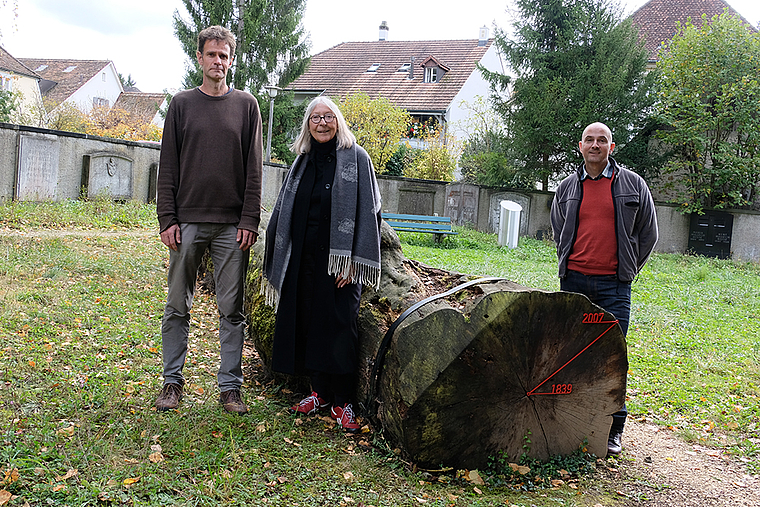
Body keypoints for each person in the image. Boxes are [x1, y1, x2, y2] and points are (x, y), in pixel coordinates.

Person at [154, 25, 263, 415]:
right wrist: (167, 217)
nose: (218, 61)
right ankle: (171, 383)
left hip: (233, 227)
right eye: (211, 54)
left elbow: (254, 170)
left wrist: (249, 219)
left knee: (231, 309)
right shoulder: (181, 105)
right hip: (187, 222)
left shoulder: (247, 105)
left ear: (231, 61)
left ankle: (230, 388)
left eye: (224, 55)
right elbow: (167, 166)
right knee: (177, 305)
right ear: (199, 58)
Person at [261, 96, 382, 433]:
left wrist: (353, 264)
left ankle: (344, 401)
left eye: (329, 116)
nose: (323, 123)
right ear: (308, 125)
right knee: (308, 320)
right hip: (304, 257)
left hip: (341, 262)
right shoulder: (302, 161)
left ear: (339, 121)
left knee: (340, 325)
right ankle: (319, 393)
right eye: (316, 118)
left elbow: (370, 213)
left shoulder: (357, 158)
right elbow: (286, 207)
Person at [550, 122, 658, 456]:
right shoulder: (567, 187)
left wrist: (626, 270)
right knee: (572, 355)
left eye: (603, 140)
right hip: (575, 284)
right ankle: (572, 423)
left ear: (612, 148)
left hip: (614, 287)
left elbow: (648, 234)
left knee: (612, 358)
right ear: (579, 146)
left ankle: (613, 430)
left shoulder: (632, 184)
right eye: (590, 140)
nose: (596, 145)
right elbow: (558, 229)